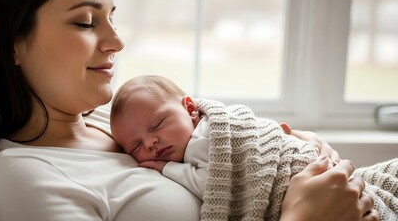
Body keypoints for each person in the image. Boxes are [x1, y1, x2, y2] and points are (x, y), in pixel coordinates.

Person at [0, 0, 380, 220]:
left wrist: (287, 147)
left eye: (112, 18)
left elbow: (226, 138)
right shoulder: (23, 179)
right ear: (6, 42)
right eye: (85, 21)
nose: (117, 41)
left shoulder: (113, 121)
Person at [110, 75, 397, 220]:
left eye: (158, 124)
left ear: (190, 108)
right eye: (135, 146)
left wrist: (166, 168)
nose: (150, 143)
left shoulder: (201, 140)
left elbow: (209, 183)